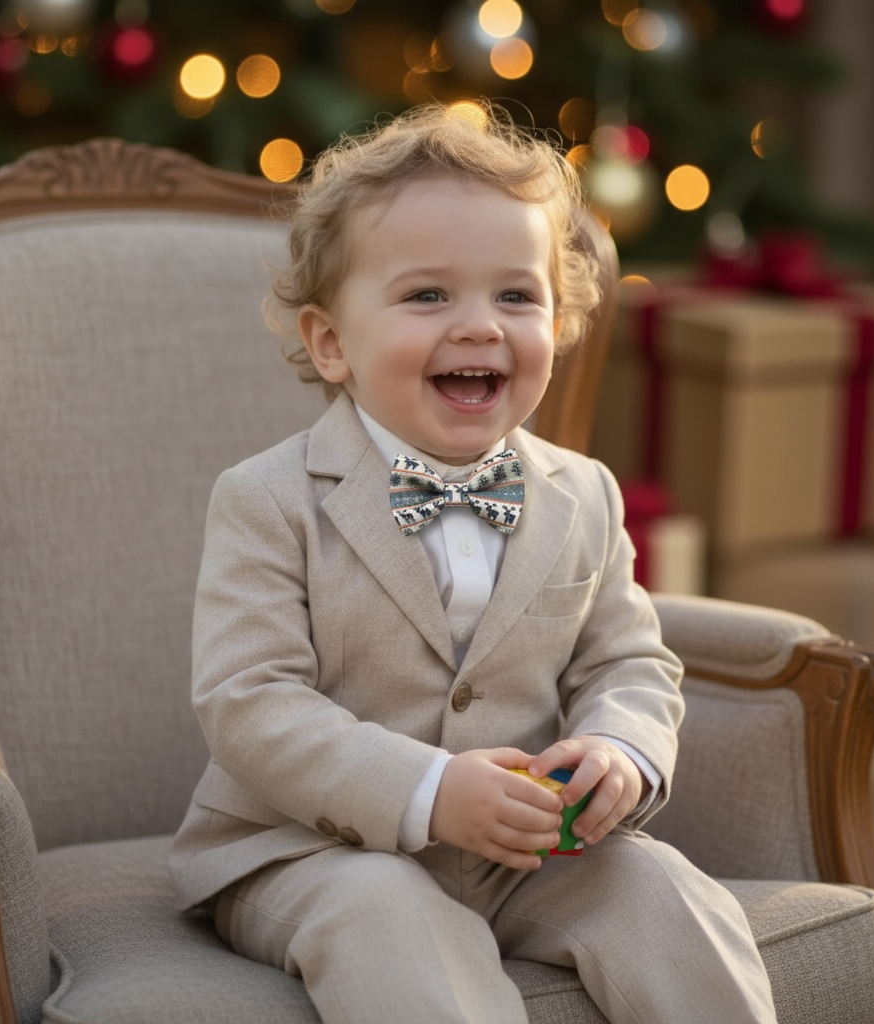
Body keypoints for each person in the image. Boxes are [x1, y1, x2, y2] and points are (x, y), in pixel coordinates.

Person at [170, 101, 776, 1024]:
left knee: (659, 891)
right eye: (427, 295)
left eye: (516, 295)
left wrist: (619, 750)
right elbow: (250, 702)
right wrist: (427, 789)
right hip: (309, 851)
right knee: (388, 911)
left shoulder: (585, 492)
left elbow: (629, 660)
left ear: (562, 322)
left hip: (521, 850)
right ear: (331, 342)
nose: (480, 326)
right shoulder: (267, 499)